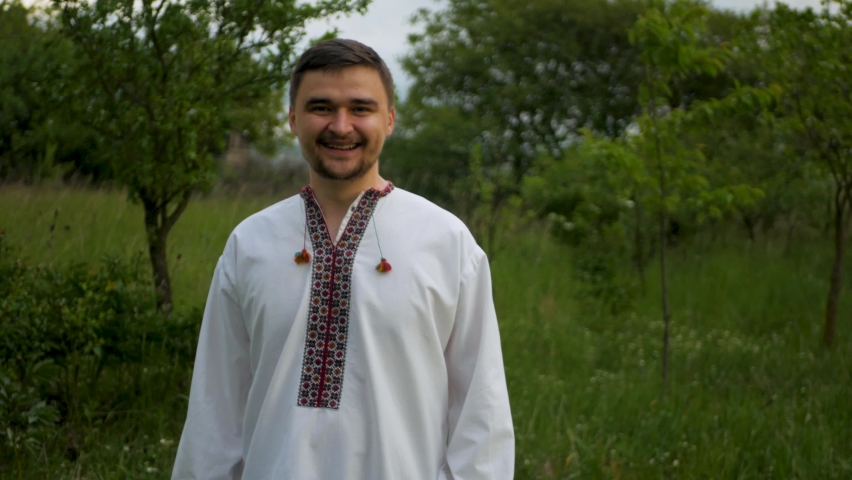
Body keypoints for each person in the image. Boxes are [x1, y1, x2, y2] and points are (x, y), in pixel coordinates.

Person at [171, 38, 514, 480]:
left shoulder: (447, 243)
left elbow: (480, 417)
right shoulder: (250, 244)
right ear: (293, 119)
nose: (341, 125)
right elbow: (214, 411)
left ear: (389, 119)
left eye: (360, 108)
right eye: (320, 107)